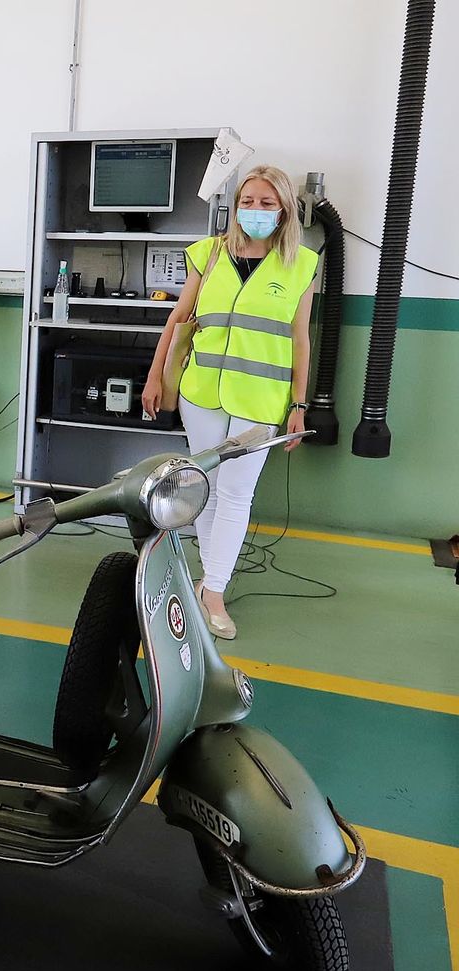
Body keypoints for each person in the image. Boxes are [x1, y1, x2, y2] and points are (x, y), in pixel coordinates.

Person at [142, 164, 318, 641]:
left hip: (260, 398)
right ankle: (209, 577)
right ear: (234, 206)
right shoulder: (210, 254)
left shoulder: (302, 263)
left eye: (266, 203)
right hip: (203, 392)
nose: (255, 210)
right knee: (207, 487)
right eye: (248, 201)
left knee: (237, 493)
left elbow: (300, 340)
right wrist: (156, 376)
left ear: (284, 210)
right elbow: (180, 318)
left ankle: (213, 591)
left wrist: (299, 404)